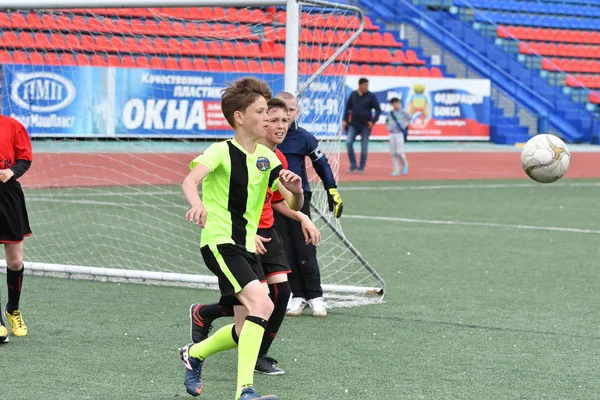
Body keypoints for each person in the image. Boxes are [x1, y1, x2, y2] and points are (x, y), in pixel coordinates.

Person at [179, 78, 304, 400]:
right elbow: (190, 181)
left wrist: (297, 191)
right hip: (221, 241)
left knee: (243, 326)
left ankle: (195, 354)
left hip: (248, 246)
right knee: (263, 303)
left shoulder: (268, 158)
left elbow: (290, 204)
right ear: (239, 117)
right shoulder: (220, 151)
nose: (268, 119)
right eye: (261, 112)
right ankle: (244, 391)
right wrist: (197, 204)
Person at [273, 91, 343, 318]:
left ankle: (315, 295)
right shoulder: (266, 137)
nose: (286, 114)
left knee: (305, 246)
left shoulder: (304, 137)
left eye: (290, 110)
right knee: (283, 249)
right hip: (273, 201)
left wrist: (331, 190)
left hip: (298, 198)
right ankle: (297, 295)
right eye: (281, 110)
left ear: (296, 112)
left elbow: (322, 164)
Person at [0, 115, 32, 344]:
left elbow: (24, 159)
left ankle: (12, 310)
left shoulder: (12, 125)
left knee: (15, 261)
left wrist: (12, 172)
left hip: (8, 195)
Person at [342, 77, 381, 173]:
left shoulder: (371, 96)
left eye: (367, 85)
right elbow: (347, 108)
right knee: (348, 142)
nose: (366, 87)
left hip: (365, 126)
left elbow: (378, 110)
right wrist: (345, 120)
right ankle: (353, 165)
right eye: (364, 85)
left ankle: (361, 167)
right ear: (359, 85)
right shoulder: (353, 95)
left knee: (364, 147)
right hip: (354, 124)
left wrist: (373, 121)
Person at [385, 97, 410, 176]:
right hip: (392, 134)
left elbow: (410, 118)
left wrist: (404, 125)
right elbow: (387, 121)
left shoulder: (403, 112)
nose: (396, 105)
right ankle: (395, 170)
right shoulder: (390, 113)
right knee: (393, 153)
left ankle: (404, 164)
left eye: (398, 103)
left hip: (399, 134)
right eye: (395, 103)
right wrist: (388, 127)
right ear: (392, 104)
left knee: (399, 152)